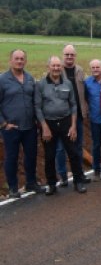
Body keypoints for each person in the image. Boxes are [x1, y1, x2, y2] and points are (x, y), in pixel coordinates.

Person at [35, 56, 87, 195]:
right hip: (48, 124)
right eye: (54, 66)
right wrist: (44, 127)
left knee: (73, 153)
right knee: (50, 155)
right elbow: (38, 107)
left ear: (61, 67)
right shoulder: (41, 85)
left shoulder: (68, 83)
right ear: (48, 67)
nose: (56, 68)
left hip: (66, 122)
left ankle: (79, 181)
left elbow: (73, 105)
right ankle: (51, 184)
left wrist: (73, 125)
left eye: (59, 66)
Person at [0, 49, 43, 198]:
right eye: (16, 58)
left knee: (31, 155)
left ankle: (31, 182)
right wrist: (4, 124)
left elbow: (35, 102)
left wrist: (38, 122)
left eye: (22, 59)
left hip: (30, 127)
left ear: (25, 61)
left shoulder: (30, 79)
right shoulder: (2, 80)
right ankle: (13, 187)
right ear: (10, 61)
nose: (19, 61)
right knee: (11, 157)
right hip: (11, 128)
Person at [55, 44, 90, 186]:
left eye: (72, 55)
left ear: (75, 56)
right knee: (60, 148)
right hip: (62, 118)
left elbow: (84, 93)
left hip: (79, 116)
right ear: (63, 55)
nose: (69, 57)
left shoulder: (80, 71)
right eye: (67, 54)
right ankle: (63, 177)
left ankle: (79, 175)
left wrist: (86, 110)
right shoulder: (56, 70)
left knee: (77, 147)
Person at [85, 59, 101, 182]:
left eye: (97, 67)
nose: (95, 69)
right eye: (93, 67)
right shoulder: (87, 82)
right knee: (96, 145)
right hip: (95, 119)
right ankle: (97, 171)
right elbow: (85, 99)